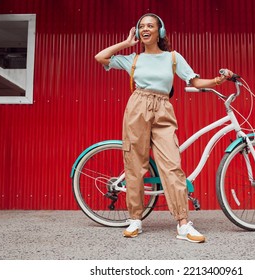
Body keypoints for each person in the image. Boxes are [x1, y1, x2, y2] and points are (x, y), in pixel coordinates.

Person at [95, 13, 231, 243]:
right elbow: (100, 57)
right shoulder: (133, 59)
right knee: (135, 165)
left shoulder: (173, 58)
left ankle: (183, 224)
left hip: (163, 109)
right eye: (142, 27)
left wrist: (219, 80)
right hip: (137, 108)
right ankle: (135, 220)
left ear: (161, 31)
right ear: (139, 33)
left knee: (172, 166)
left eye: (151, 26)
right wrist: (127, 43)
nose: (146, 29)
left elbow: (195, 81)